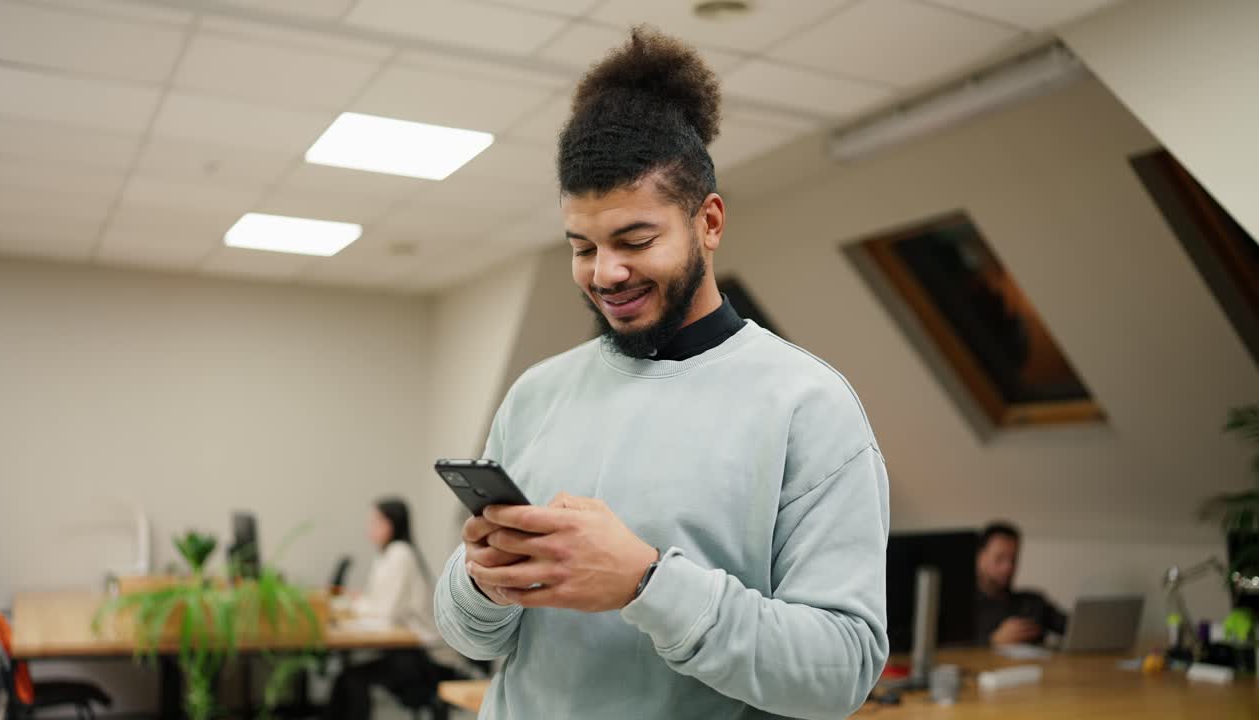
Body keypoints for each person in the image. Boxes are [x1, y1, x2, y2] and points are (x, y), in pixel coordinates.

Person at [433, 28, 889, 720]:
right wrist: (481, 583)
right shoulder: (536, 394)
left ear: (708, 221)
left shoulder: (807, 405)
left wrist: (646, 585)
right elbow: (470, 636)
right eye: (582, 247)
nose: (605, 273)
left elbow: (839, 673)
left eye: (635, 241)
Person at [324, 498, 458, 719]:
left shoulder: (400, 553)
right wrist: (359, 602)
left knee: (351, 680)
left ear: (391, 524)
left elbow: (384, 612)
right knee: (346, 679)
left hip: (424, 656)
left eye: (376, 522)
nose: (370, 528)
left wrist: (354, 605)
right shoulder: (386, 554)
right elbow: (375, 601)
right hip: (404, 650)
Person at [974, 521, 1068, 647]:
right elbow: (946, 649)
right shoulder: (956, 607)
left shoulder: (1033, 603)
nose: (1008, 567)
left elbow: (1074, 628)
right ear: (980, 558)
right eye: (1000, 558)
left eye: (1013, 559)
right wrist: (992, 641)